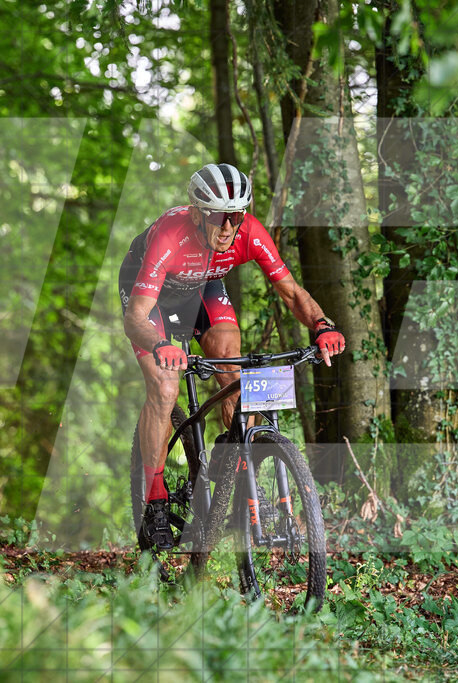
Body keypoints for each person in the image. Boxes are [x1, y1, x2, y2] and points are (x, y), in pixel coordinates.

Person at [119, 163, 345, 550]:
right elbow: (136, 317)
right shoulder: (169, 236)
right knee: (165, 386)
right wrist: (160, 345)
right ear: (196, 214)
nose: (228, 228)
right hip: (150, 296)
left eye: (236, 217)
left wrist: (323, 325)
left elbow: (291, 293)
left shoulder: (250, 234)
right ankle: (155, 500)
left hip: (202, 287)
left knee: (234, 368)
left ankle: (236, 476)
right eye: (219, 217)